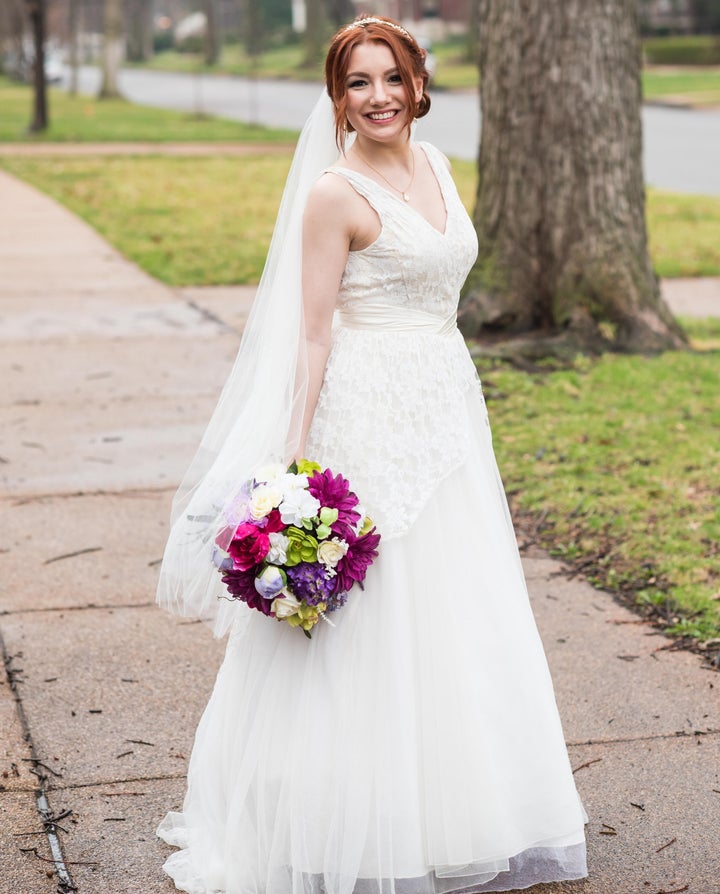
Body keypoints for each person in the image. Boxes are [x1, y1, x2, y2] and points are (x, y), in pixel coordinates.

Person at [156, 15, 588, 894]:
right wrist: (296, 464)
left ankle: (462, 813)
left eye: (392, 77)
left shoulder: (438, 167)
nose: (379, 96)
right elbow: (310, 336)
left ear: (418, 82)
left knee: (461, 606)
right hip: (365, 408)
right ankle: (345, 828)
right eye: (359, 82)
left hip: (445, 403)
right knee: (375, 619)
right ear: (338, 97)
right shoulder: (333, 195)